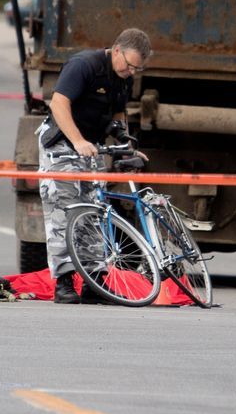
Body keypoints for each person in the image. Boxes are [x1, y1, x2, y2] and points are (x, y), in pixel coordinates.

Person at [36, 28, 152, 304]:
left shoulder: (123, 78)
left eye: (137, 69)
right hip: (63, 143)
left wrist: (126, 146)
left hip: (91, 145)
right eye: (130, 65)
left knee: (96, 210)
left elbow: (118, 114)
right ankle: (64, 282)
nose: (132, 72)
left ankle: (95, 282)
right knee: (64, 210)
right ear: (116, 50)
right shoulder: (84, 65)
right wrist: (77, 141)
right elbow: (59, 104)